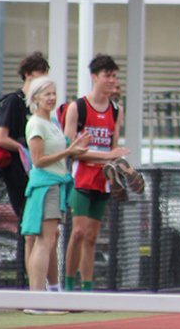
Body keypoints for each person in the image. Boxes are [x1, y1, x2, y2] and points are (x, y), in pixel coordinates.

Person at [20, 77, 91, 312]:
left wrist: (73, 147)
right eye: (46, 94)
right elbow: (38, 161)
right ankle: (37, 301)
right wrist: (69, 151)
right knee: (44, 241)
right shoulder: (36, 124)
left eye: (53, 93)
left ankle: (42, 297)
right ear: (35, 98)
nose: (52, 97)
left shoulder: (52, 123)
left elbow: (61, 150)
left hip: (56, 185)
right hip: (46, 186)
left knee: (48, 240)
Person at [63, 54, 132, 292]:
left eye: (114, 75)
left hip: (102, 181)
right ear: (95, 77)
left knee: (92, 237)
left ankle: (87, 289)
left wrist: (121, 170)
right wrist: (104, 156)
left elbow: (113, 149)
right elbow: (71, 151)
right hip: (81, 179)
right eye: (107, 75)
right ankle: (68, 286)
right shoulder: (78, 107)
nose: (112, 80)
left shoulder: (116, 111)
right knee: (78, 233)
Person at [0, 51, 62, 292]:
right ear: (27, 75)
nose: (44, 78)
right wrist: (26, 149)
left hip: (39, 176)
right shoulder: (15, 101)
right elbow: (0, 138)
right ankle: (36, 291)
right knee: (32, 235)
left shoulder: (44, 113)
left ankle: (52, 288)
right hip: (20, 176)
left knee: (49, 236)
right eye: (39, 74)